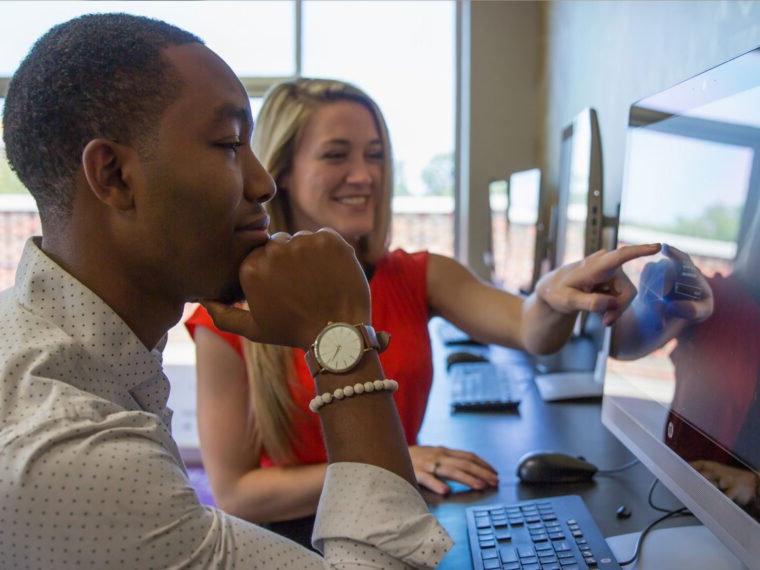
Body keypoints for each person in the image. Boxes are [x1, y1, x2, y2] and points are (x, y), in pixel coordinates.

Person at [0, 13, 456, 568]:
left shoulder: (57, 346)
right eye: (228, 144)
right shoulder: (70, 455)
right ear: (114, 175)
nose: (263, 184)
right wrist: (341, 339)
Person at [186, 77, 662, 529]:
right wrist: (396, 462)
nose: (364, 175)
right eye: (336, 155)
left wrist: (556, 295)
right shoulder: (228, 317)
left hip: (398, 521)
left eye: (375, 155)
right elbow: (236, 494)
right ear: (282, 172)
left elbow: (528, 328)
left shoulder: (417, 273)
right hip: (298, 539)